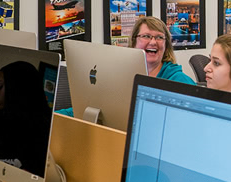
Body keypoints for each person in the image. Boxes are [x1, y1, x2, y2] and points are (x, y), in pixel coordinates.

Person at [56, 17, 195, 116]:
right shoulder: (120, 77)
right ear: (134, 41)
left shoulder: (178, 79)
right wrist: (53, 115)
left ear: (166, 45)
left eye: (159, 37)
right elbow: (90, 107)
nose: (153, 42)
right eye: (146, 36)